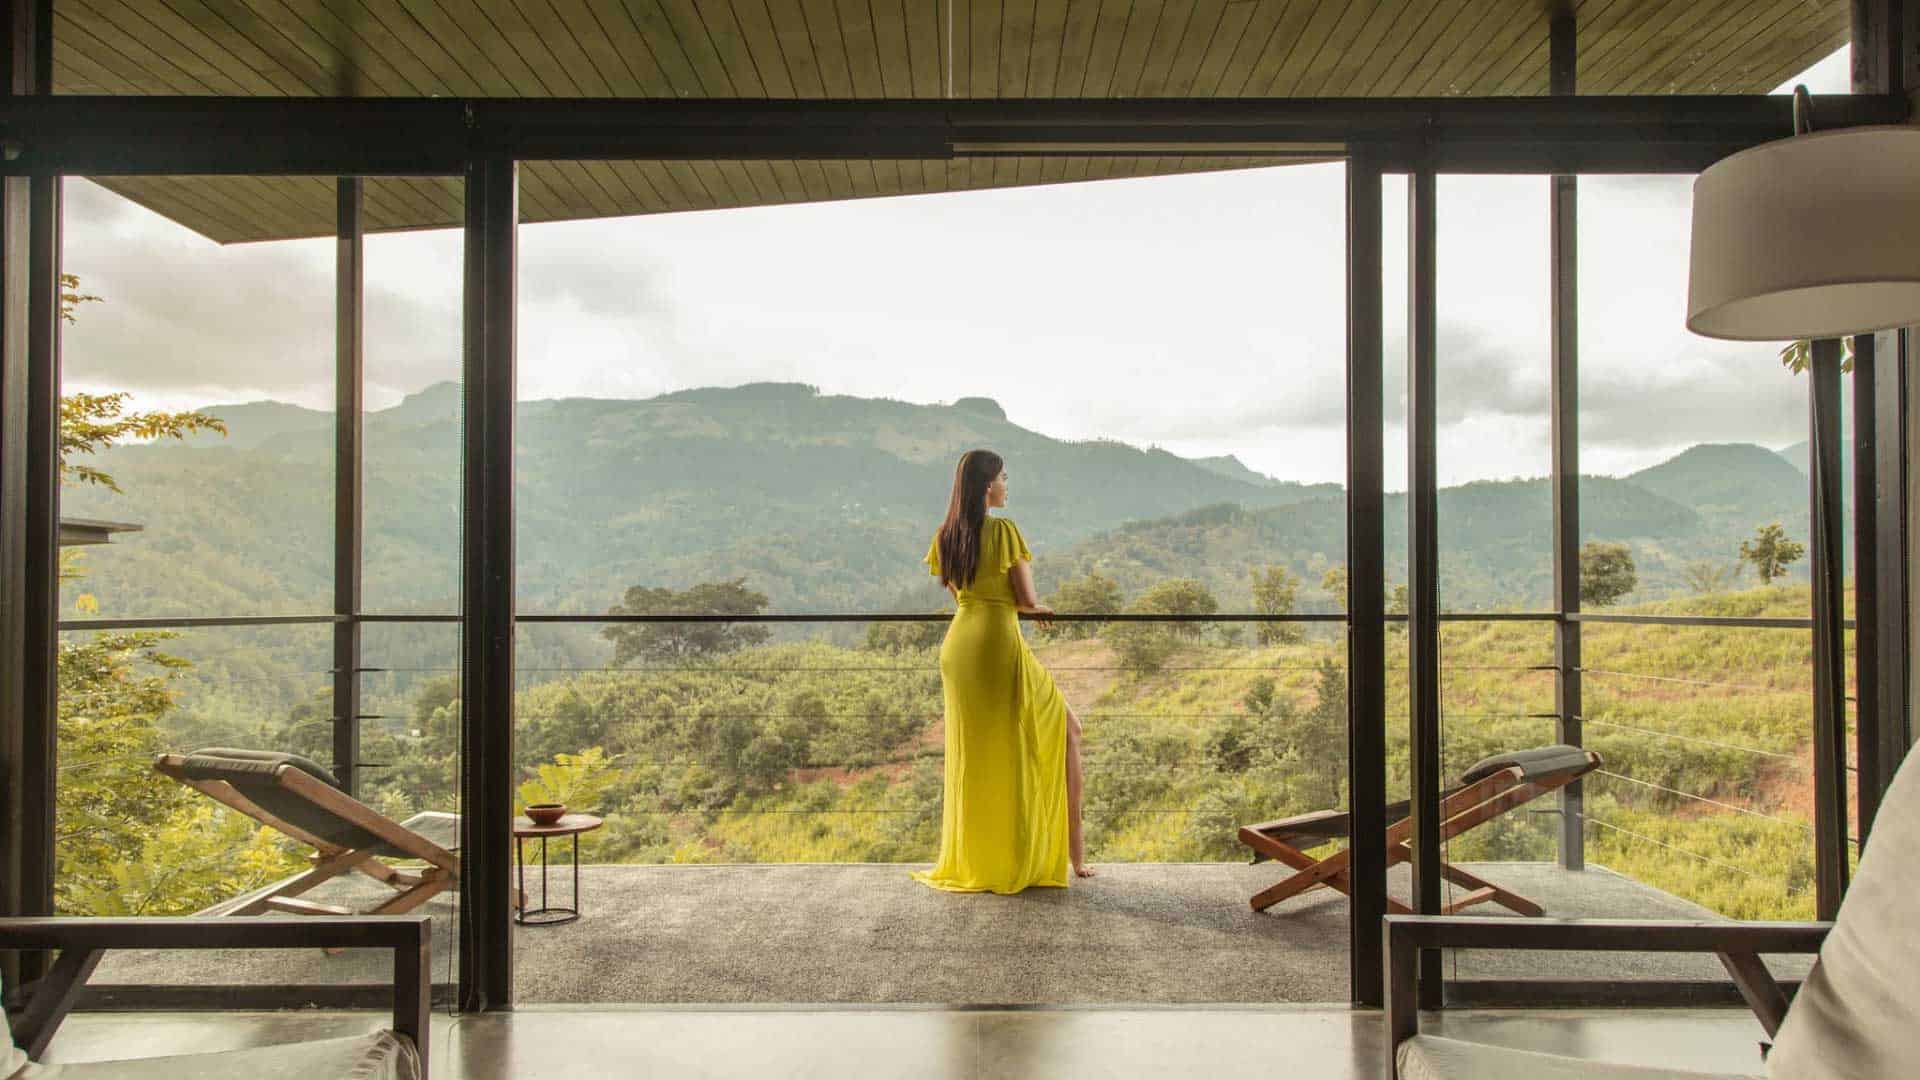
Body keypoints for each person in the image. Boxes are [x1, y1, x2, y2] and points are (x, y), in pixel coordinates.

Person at [909, 448, 1094, 894]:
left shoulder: (945, 536)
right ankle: (1074, 856)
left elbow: (962, 597)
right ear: (988, 485)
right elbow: (1026, 599)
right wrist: (1037, 607)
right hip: (998, 644)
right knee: (1069, 730)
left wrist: (1008, 605)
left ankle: (986, 857)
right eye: (1004, 477)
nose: (1007, 485)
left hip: (960, 648)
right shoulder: (1005, 530)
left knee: (978, 754)